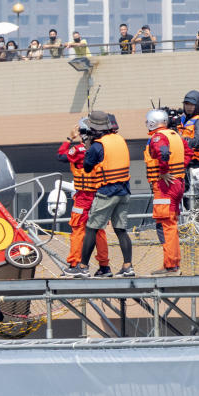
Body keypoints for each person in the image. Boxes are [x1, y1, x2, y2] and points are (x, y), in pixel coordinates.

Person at [64, 111, 135, 278]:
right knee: (120, 229)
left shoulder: (98, 146)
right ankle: (128, 266)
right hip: (124, 190)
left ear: (94, 129)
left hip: (107, 192)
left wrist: (88, 147)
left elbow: (88, 167)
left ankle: (83, 267)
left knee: (91, 228)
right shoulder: (120, 139)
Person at [57, 123, 111, 277]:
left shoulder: (80, 150)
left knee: (78, 229)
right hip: (100, 194)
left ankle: (75, 264)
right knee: (99, 231)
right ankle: (104, 267)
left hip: (83, 197)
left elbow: (61, 156)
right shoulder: (102, 148)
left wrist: (69, 138)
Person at [144, 109, 192, 275]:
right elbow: (189, 153)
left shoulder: (158, 137)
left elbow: (163, 153)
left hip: (165, 186)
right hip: (177, 182)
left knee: (165, 226)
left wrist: (164, 171)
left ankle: (170, 265)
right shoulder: (175, 135)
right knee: (170, 224)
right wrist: (178, 168)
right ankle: (173, 263)